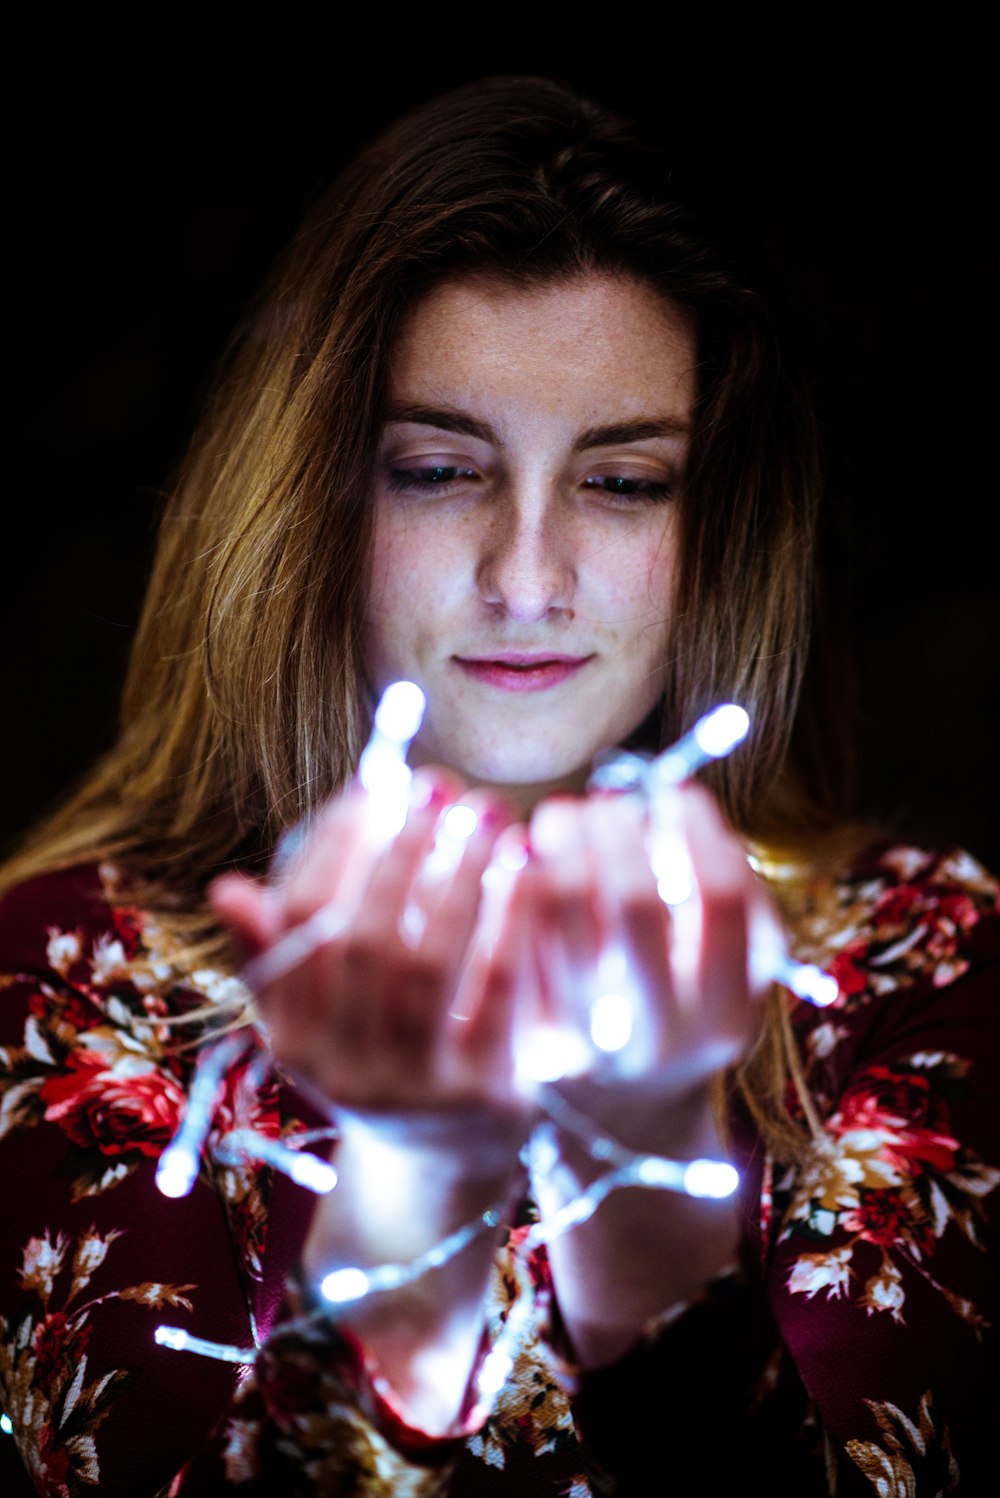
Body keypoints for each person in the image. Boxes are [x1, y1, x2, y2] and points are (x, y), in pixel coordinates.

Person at [0, 74, 997, 1497]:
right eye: (438, 468)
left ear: (717, 520)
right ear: (314, 500)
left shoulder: (909, 965)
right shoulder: (71, 979)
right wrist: (406, 1208)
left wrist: (655, 1236)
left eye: (623, 482)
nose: (524, 578)